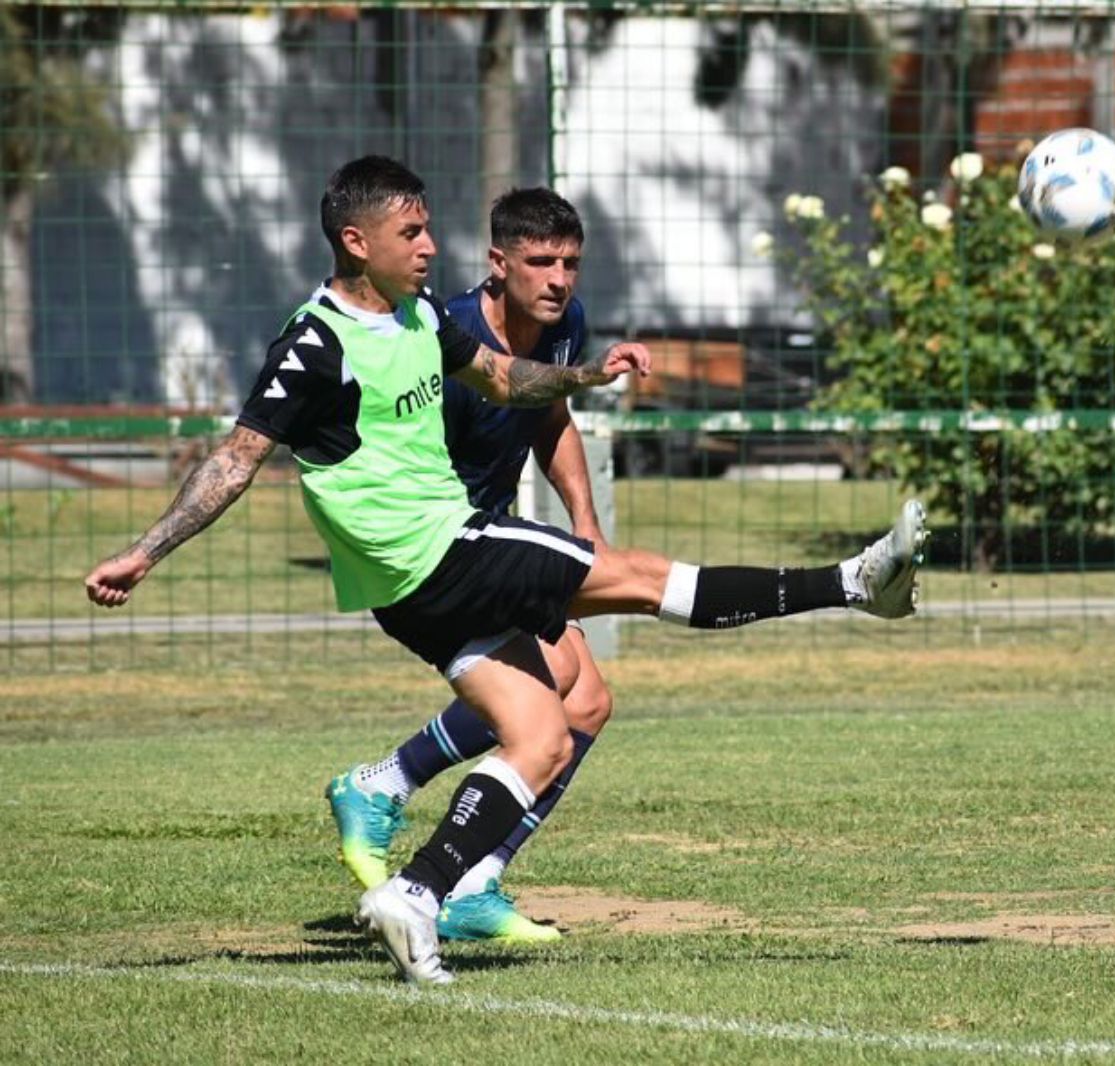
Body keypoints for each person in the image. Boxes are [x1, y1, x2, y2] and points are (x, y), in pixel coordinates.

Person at [85, 155, 927, 987]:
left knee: (544, 733)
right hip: (440, 549)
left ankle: (420, 894)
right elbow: (235, 459)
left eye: (426, 229)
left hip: (412, 584)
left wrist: (587, 375)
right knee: (638, 577)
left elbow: (501, 375)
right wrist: (145, 550)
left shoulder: (417, 312)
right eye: (408, 232)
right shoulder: (314, 344)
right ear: (355, 240)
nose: (426, 246)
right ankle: (854, 582)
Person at [325, 186, 621, 946]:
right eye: (540, 262)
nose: (559, 279)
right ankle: (389, 788)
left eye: (570, 264)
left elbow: (548, 413)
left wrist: (585, 530)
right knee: (557, 684)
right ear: (498, 264)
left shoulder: (562, 324)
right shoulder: (444, 333)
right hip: (444, 543)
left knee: (586, 701)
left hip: (494, 533)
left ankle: (475, 876)